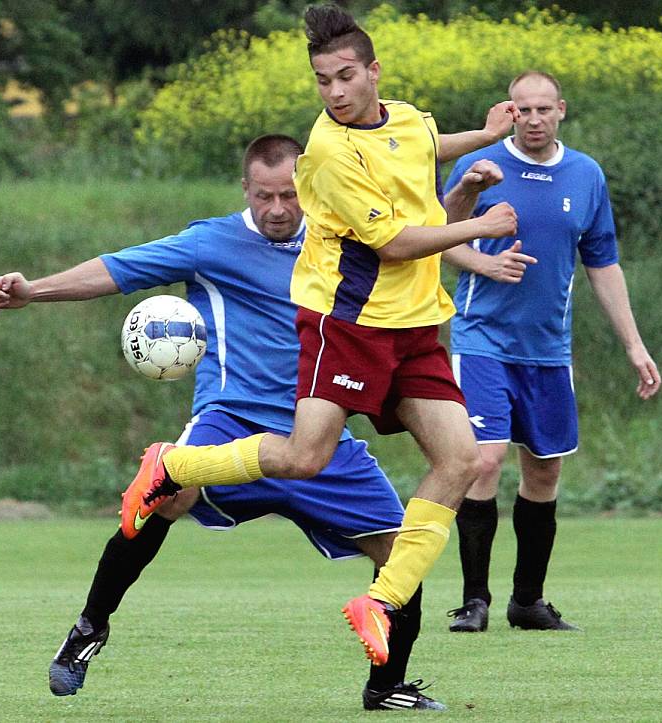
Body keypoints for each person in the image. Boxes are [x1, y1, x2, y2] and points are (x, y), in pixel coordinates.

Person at [118, 3, 520, 668]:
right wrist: (477, 226)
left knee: (465, 460)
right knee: (306, 456)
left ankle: (380, 600)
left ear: (373, 72)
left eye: (344, 77)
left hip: (416, 325)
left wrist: (483, 133)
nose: (334, 92)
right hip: (350, 323)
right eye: (322, 81)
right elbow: (393, 243)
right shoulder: (330, 152)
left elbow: (422, 143)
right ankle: (174, 466)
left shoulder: (405, 116)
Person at [0, 135, 445, 712]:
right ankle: (88, 630)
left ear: (310, 188)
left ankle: (386, 686)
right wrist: (33, 292)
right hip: (231, 421)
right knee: (163, 499)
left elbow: (415, 244)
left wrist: (467, 197)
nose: (277, 209)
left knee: (403, 553)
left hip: (320, 432)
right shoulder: (211, 243)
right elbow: (119, 269)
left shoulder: (341, 244)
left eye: (289, 195)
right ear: (245, 191)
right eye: (263, 196)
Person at [442, 71, 662, 634]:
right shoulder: (483, 165)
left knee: (543, 470)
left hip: (548, 350)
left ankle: (527, 602)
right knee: (484, 459)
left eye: (544, 108)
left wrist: (634, 346)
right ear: (509, 112)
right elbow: (437, 233)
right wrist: (471, 204)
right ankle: (474, 601)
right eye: (523, 110)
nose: (534, 118)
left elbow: (603, 263)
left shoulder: (585, 174)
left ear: (560, 109)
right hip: (481, 338)